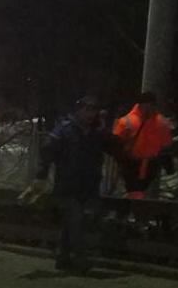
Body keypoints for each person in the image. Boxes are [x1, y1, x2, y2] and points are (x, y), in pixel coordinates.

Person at [23, 95, 120, 273]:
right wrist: (41, 175)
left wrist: (104, 129)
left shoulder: (95, 132)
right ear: (79, 110)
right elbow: (48, 152)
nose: (91, 114)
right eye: (87, 109)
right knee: (77, 221)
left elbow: (113, 148)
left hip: (89, 184)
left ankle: (63, 257)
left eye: (94, 110)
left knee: (72, 222)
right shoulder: (65, 130)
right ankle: (79, 258)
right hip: (68, 185)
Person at [113, 91, 173, 200]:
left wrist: (168, 164)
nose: (150, 108)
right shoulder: (127, 121)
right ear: (141, 104)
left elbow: (166, 146)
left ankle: (128, 212)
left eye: (152, 105)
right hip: (131, 163)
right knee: (136, 192)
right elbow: (116, 143)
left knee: (138, 192)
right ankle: (134, 212)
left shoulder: (161, 123)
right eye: (148, 105)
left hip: (150, 165)